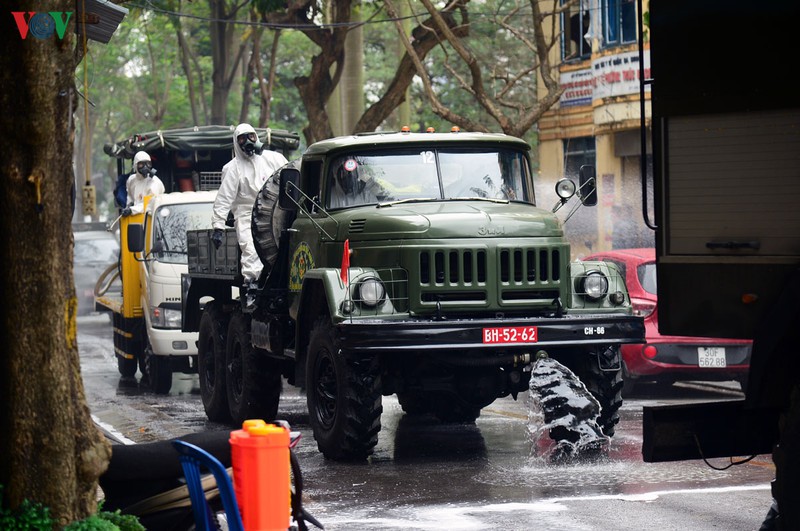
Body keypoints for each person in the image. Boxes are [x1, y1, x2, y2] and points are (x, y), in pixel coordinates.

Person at [211, 123, 288, 306]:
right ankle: (252, 285)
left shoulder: (273, 159)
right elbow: (224, 198)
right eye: (242, 139)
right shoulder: (233, 168)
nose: (248, 142)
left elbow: (292, 174)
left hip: (275, 211)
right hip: (246, 213)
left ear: (256, 136)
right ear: (236, 143)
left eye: (251, 137)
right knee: (250, 248)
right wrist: (218, 226)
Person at [122, 151, 165, 215]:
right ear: (135, 165)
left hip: (150, 218)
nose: (145, 167)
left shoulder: (154, 183)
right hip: (134, 218)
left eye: (148, 164)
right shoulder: (131, 180)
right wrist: (129, 206)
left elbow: (149, 205)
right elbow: (130, 197)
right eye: (141, 164)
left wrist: (132, 210)